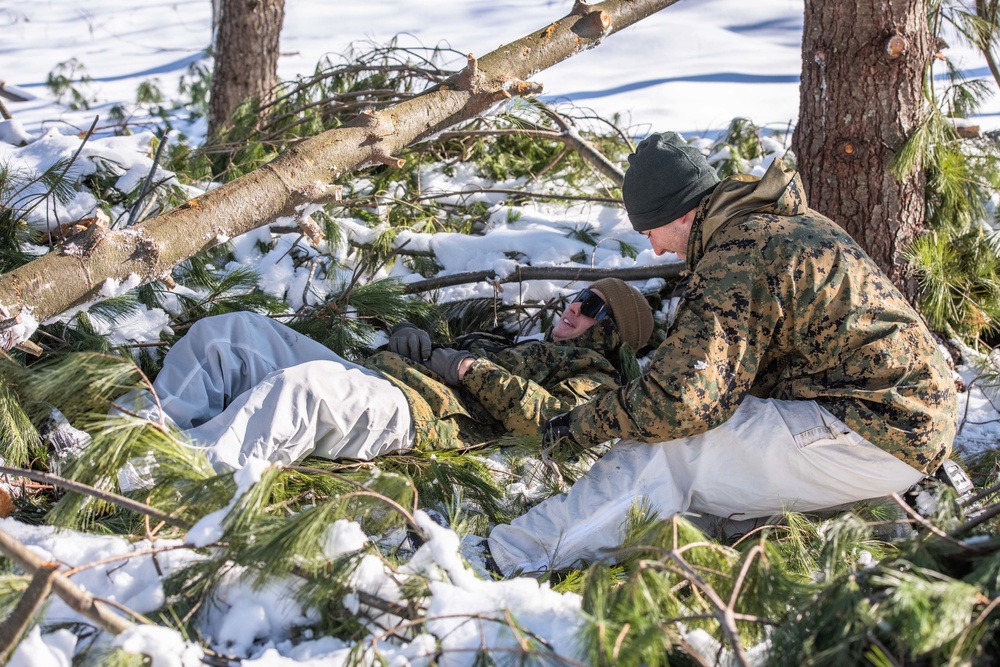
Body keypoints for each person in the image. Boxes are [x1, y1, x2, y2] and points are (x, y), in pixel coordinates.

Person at [486, 132, 959, 576]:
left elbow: (681, 402)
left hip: (873, 427)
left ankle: (511, 557)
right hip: (907, 420)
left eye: (650, 230)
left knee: (672, 453)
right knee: (711, 498)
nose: (653, 248)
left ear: (681, 215)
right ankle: (882, 514)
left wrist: (580, 425)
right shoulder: (777, 223)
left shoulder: (737, 253)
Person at [117, 278, 653, 474]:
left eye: (593, 308)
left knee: (299, 394)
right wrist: (412, 341)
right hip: (382, 379)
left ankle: (171, 478)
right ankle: (134, 441)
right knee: (230, 333)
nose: (575, 307)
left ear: (611, 335)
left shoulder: (596, 380)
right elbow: (443, 350)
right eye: (580, 296)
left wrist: (465, 367)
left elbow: (548, 422)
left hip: (421, 419)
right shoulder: (517, 342)